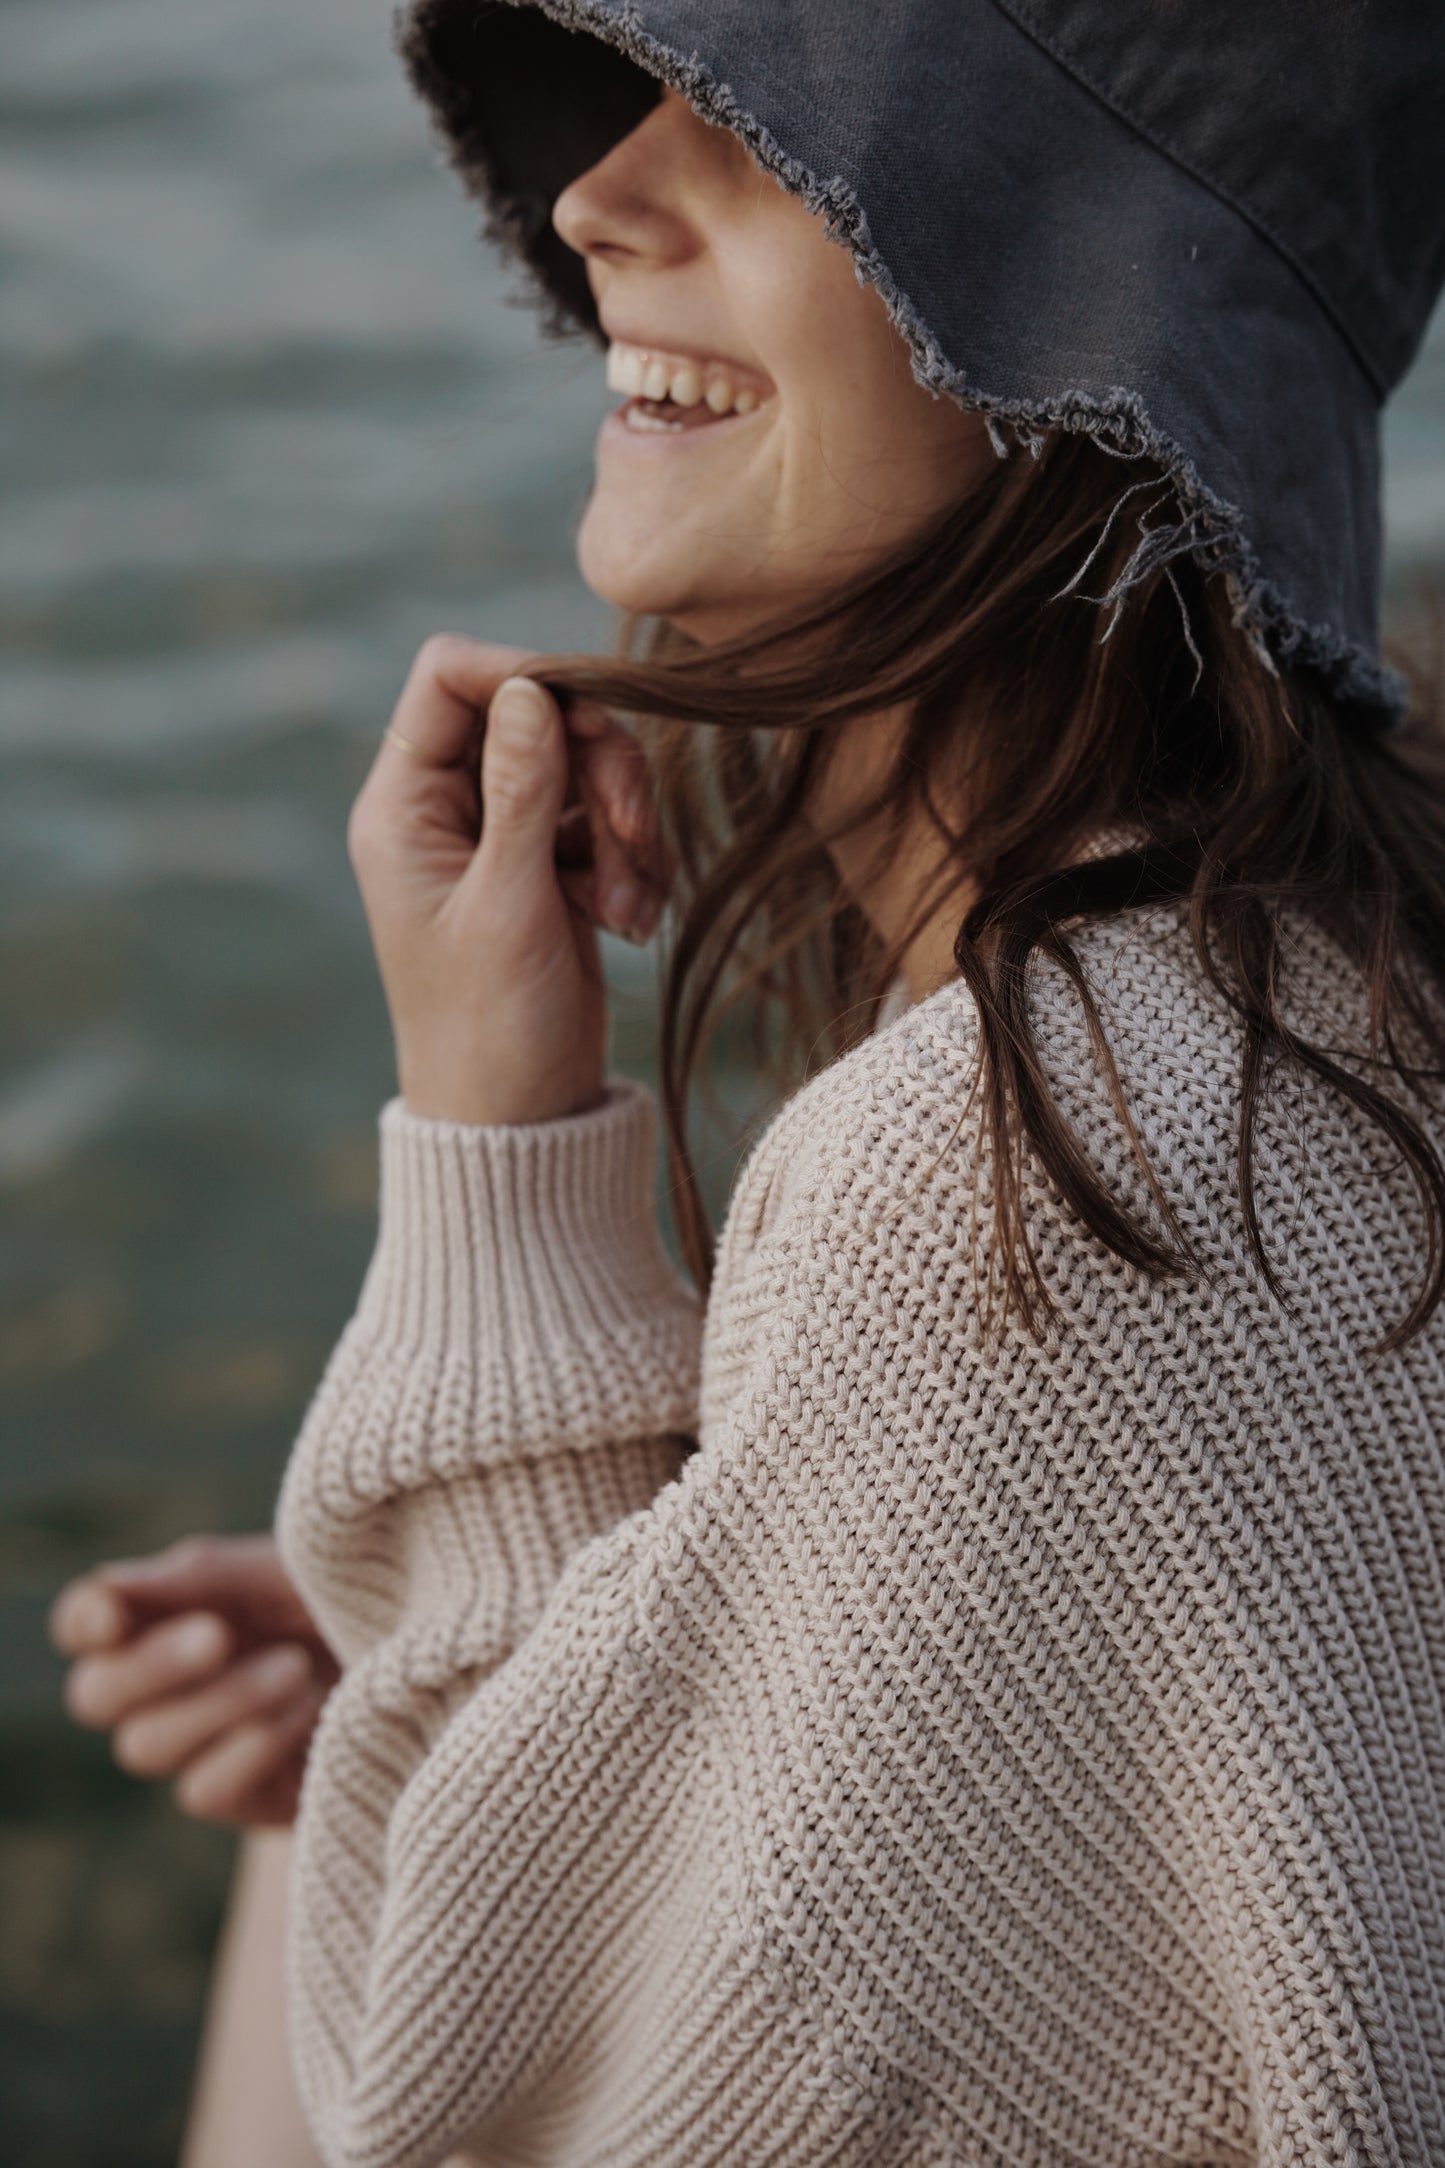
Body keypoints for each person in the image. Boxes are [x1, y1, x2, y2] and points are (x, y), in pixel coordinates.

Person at [49, 2, 1445, 2163]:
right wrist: (562, 1689)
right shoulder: (1326, 1006)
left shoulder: (1023, 1171)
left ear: (1080, 319)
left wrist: (496, 1146)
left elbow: (459, 2123)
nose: (600, 192)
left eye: (785, 134)